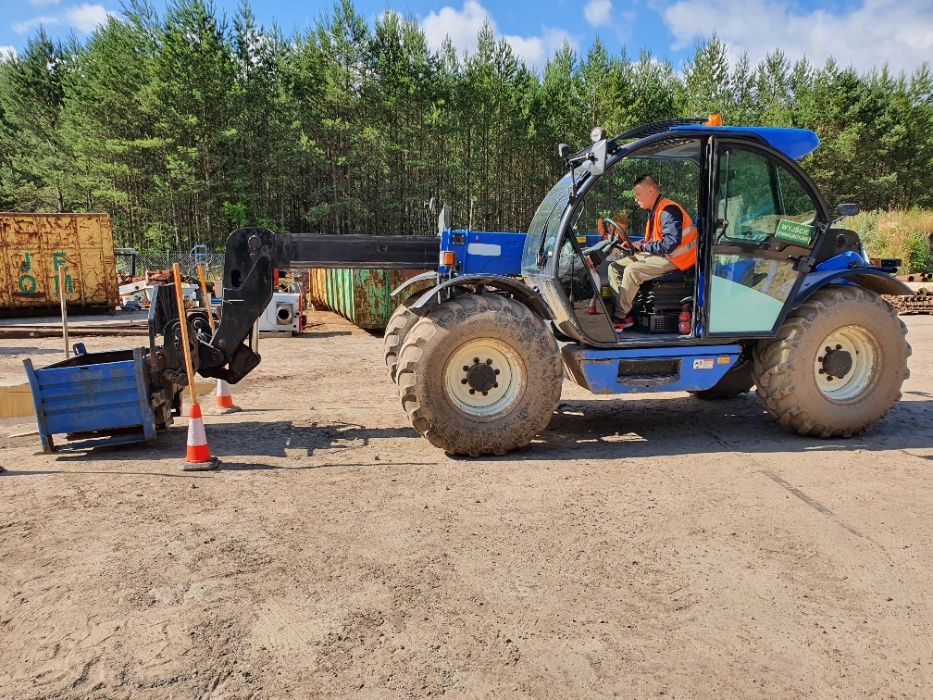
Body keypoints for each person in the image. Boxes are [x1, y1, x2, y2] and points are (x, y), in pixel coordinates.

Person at [607, 174, 697, 330]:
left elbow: (670, 243)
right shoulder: (655, 210)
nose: (636, 198)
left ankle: (619, 317)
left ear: (650, 191)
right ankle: (628, 315)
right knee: (614, 267)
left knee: (632, 271)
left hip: (677, 259)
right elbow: (656, 239)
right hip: (663, 255)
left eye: (638, 194)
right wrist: (640, 244)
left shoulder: (668, 210)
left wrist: (644, 247)